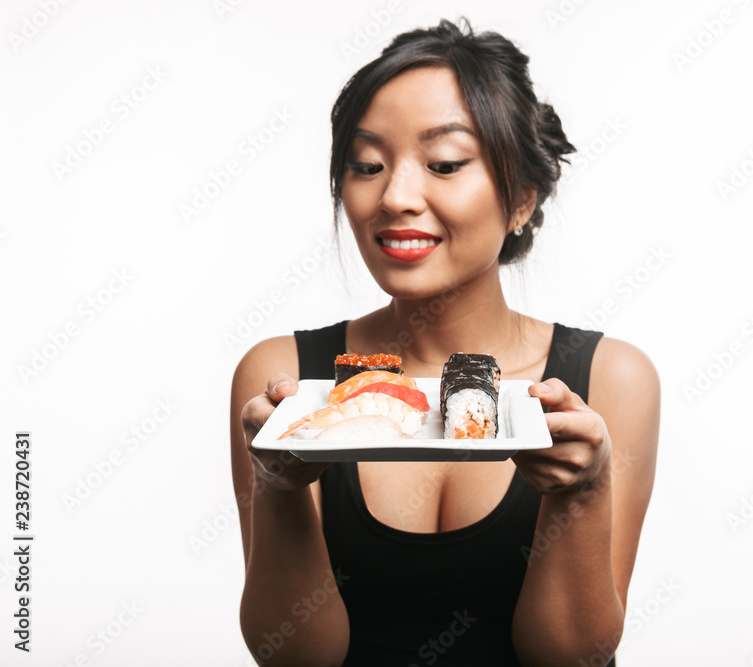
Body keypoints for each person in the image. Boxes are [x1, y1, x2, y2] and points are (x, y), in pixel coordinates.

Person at [231, 18, 659, 666]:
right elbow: (294, 658)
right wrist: (280, 489)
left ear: (521, 198)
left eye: (445, 163)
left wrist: (585, 490)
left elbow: (570, 656)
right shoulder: (284, 378)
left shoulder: (608, 381)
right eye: (367, 164)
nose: (396, 196)